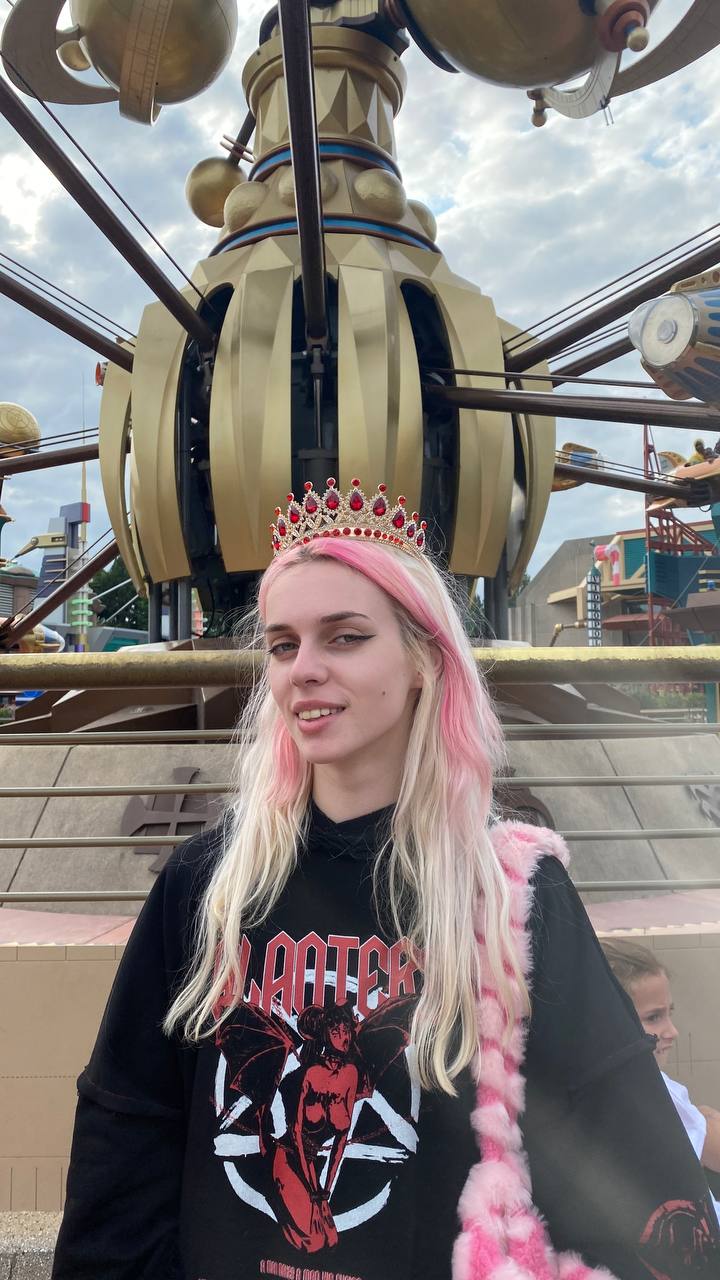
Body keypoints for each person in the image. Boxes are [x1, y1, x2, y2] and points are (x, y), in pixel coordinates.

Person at [52, 478, 720, 1280]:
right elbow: (128, 1134)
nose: (304, 670)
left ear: (423, 660)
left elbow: (613, 1135)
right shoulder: (207, 884)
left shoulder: (511, 892)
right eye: (283, 644)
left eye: (344, 637)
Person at [601, 937, 720, 1220]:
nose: (672, 1031)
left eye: (669, 1014)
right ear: (608, 1021)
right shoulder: (650, 1090)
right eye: (654, 1017)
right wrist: (707, 1119)